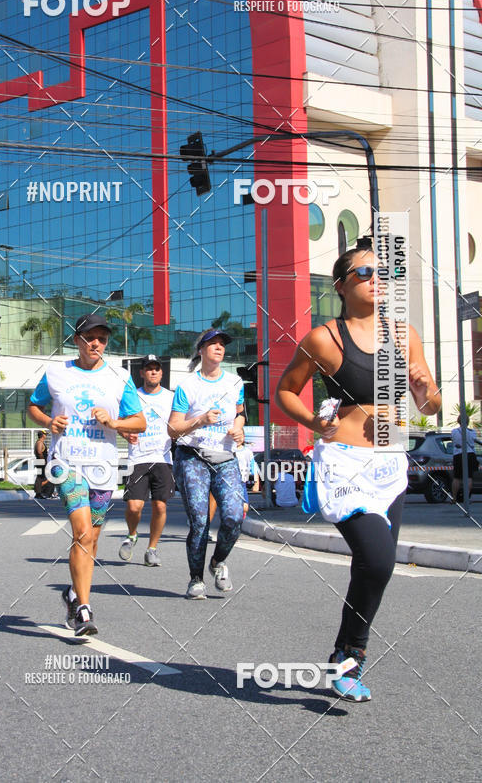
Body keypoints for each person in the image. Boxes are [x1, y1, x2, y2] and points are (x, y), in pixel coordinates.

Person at [276, 243, 441, 702]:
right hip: (346, 462)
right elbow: (285, 391)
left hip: (391, 463)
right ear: (341, 286)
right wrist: (313, 423)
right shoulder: (324, 339)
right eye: (364, 271)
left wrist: (425, 390)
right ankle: (353, 656)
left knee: (375, 569)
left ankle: (343, 657)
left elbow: (431, 404)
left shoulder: (404, 335)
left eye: (381, 271)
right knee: (379, 559)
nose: (376, 277)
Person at [28, 314, 146, 636]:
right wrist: (47, 423)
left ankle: (72, 593)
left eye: (102, 338)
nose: (96, 344)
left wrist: (115, 423)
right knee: (81, 532)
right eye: (90, 337)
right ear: (77, 340)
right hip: (66, 462)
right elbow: (34, 406)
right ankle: (83, 608)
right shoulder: (57, 373)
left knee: (92, 538)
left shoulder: (119, 377)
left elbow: (140, 422)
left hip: (103, 467)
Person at [169, 328, 245, 599]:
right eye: (212, 344)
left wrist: (239, 429)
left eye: (222, 344)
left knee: (235, 515)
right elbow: (173, 429)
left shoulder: (235, 382)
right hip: (193, 456)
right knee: (200, 520)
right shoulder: (188, 386)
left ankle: (217, 562)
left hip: (225, 458)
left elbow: (240, 414)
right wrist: (199, 420)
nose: (218, 347)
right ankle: (196, 579)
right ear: (201, 350)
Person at [118, 355, 176, 567]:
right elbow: (121, 423)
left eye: (156, 369)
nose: (153, 372)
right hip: (138, 457)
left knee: (160, 506)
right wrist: (126, 435)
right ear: (141, 373)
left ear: (161, 373)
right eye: (148, 369)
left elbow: (178, 422)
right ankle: (132, 535)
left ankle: (152, 549)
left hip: (162, 458)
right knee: (134, 507)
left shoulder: (171, 397)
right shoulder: (132, 396)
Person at [451, 415, 480, 502]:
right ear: (468, 421)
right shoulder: (472, 432)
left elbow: (454, 441)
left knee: (457, 477)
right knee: (469, 477)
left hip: (458, 455)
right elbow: (473, 441)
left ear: (458, 421)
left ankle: (454, 498)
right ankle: (466, 498)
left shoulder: (454, 431)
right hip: (470, 454)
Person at [33, 430, 52, 499]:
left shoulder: (40, 442)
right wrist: (43, 460)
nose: (46, 436)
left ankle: (40, 492)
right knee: (40, 477)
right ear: (42, 435)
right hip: (41, 461)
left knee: (42, 477)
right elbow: (39, 452)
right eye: (45, 434)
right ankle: (38, 493)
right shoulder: (40, 442)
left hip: (40, 461)